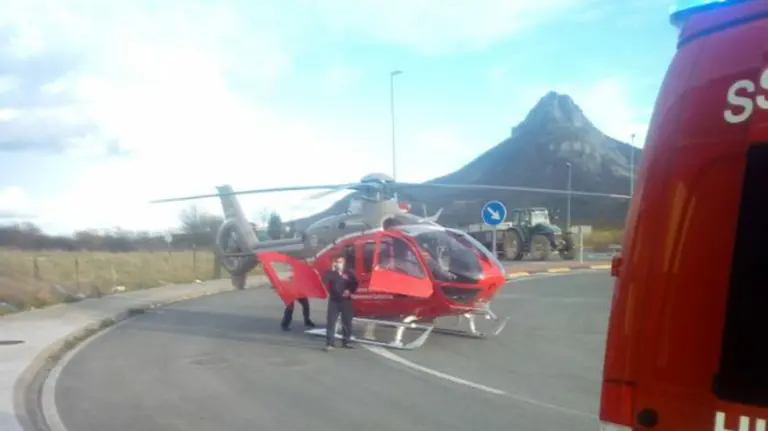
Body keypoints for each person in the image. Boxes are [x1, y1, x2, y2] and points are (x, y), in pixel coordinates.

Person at [322, 253, 358, 351]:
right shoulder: (330, 273)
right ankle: (330, 343)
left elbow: (354, 284)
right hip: (334, 301)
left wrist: (349, 290)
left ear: (344, 263)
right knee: (331, 322)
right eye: (337, 262)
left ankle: (346, 342)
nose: (339, 264)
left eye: (341, 262)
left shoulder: (349, 273)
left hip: (346, 301)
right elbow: (324, 281)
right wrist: (332, 270)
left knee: (347, 322)